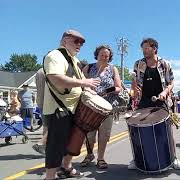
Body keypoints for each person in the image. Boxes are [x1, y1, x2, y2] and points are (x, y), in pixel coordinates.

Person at [42, 29, 101, 179]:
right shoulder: (55, 56)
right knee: (56, 146)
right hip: (58, 109)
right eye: (76, 41)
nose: (79, 44)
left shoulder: (74, 60)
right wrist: (84, 82)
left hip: (74, 109)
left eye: (81, 42)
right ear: (64, 41)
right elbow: (55, 78)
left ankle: (66, 167)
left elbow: (82, 84)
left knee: (73, 142)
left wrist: (89, 90)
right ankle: (49, 177)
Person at [129, 37, 180, 170]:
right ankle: (137, 160)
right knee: (139, 131)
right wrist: (134, 86)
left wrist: (165, 92)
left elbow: (171, 82)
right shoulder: (138, 64)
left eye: (147, 48)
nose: (144, 51)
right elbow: (134, 82)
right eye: (143, 49)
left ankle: (173, 157)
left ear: (155, 49)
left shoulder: (165, 64)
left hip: (161, 100)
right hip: (144, 101)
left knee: (166, 130)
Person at [80, 44, 121, 169]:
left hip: (107, 106)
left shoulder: (113, 69)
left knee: (104, 134)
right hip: (90, 106)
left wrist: (106, 91)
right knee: (89, 134)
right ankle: (89, 155)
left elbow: (118, 87)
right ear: (97, 55)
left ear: (110, 57)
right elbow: (80, 82)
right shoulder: (89, 67)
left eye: (107, 56)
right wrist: (87, 88)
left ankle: (101, 158)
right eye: (101, 55)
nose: (104, 57)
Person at [32, 68, 47, 155]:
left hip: (40, 101)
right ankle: (42, 144)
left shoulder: (39, 71)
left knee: (46, 125)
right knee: (49, 125)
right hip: (48, 102)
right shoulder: (49, 70)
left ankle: (44, 146)